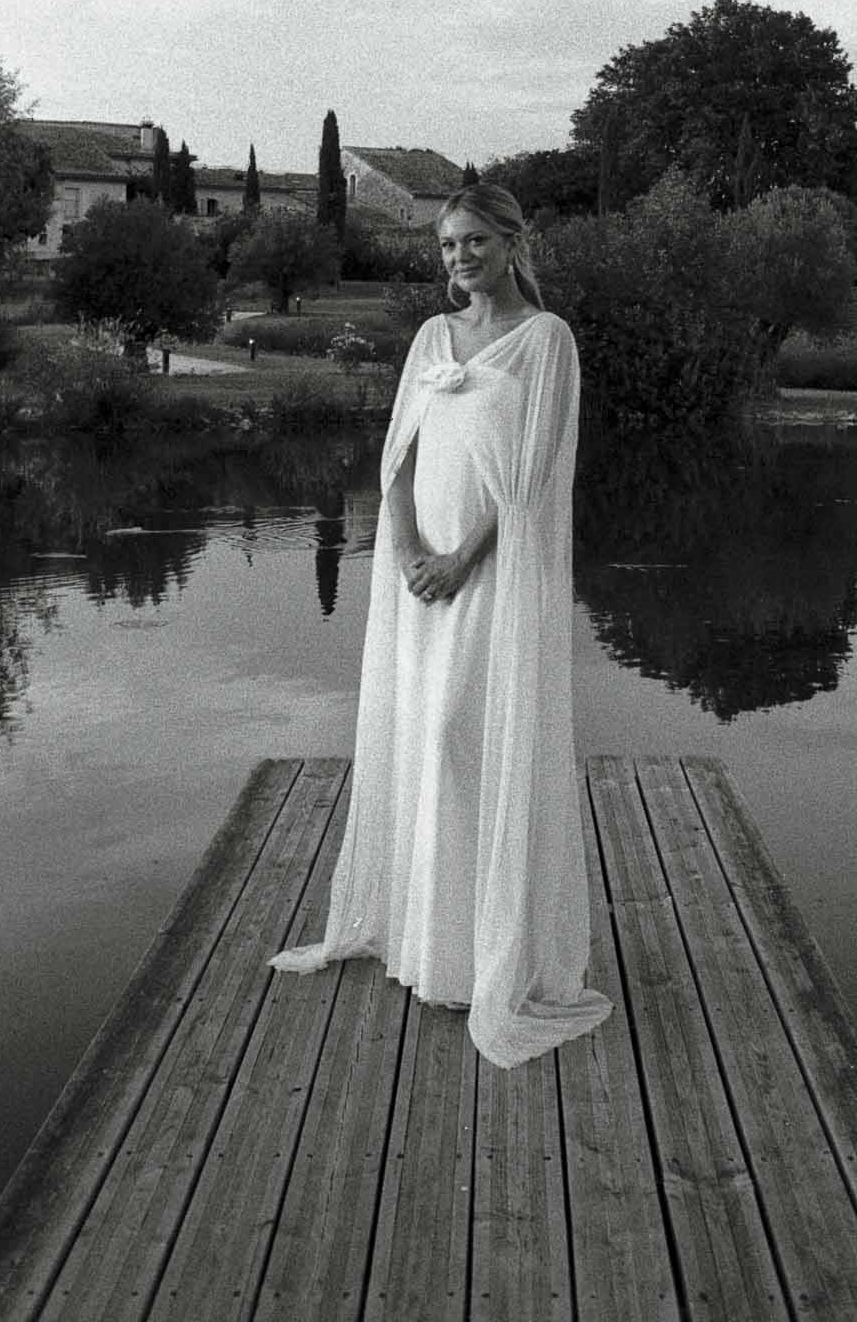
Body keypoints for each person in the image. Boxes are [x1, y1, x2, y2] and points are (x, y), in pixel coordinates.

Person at [269, 184, 611, 1067]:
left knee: (468, 736)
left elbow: (531, 480)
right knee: (422, 739)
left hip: (491, 572)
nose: (458, 258)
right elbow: (398, 457)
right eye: (447, 245)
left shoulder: (547, 342)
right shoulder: (430, 337)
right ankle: (425, 946)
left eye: (474, 242)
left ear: (511, 241)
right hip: (413, 569)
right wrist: (412, 547)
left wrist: (462, 558)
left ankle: (485, 955)